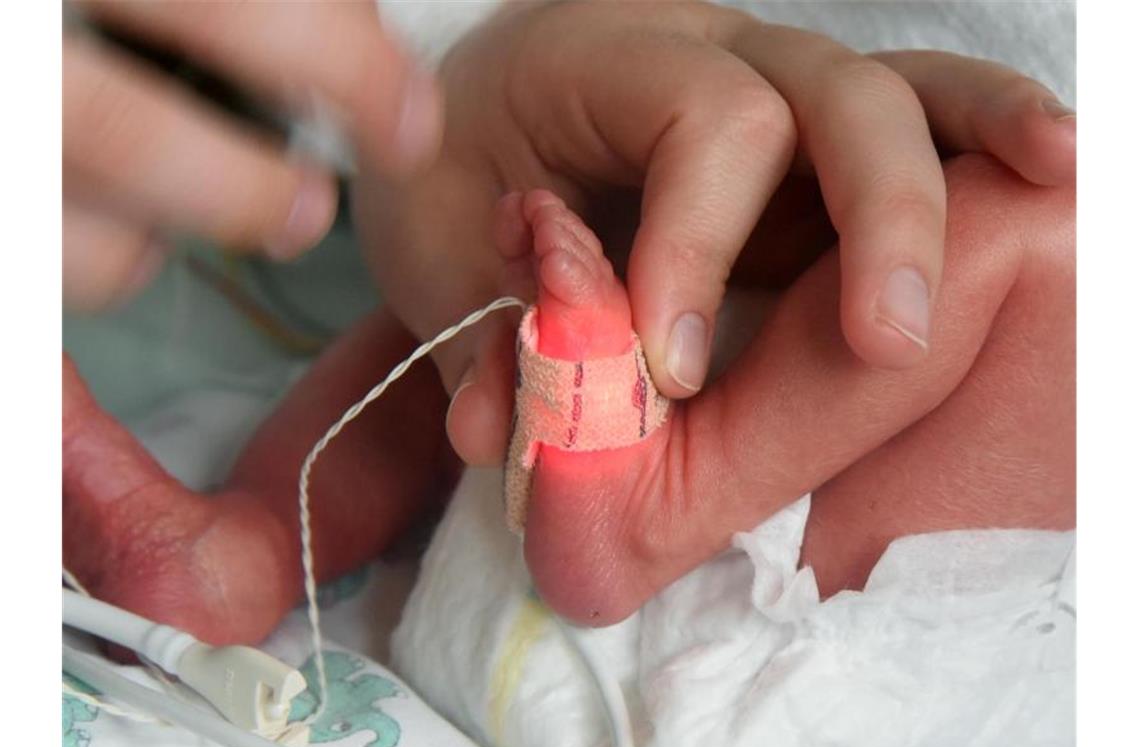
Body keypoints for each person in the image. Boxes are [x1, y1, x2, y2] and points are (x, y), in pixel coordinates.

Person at [63, 0, 1074, 641]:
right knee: (471, 316)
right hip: (698, 204)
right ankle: (246, 544)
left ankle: (650, 511)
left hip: (851, 499)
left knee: (1041, 221)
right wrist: (467, 53)